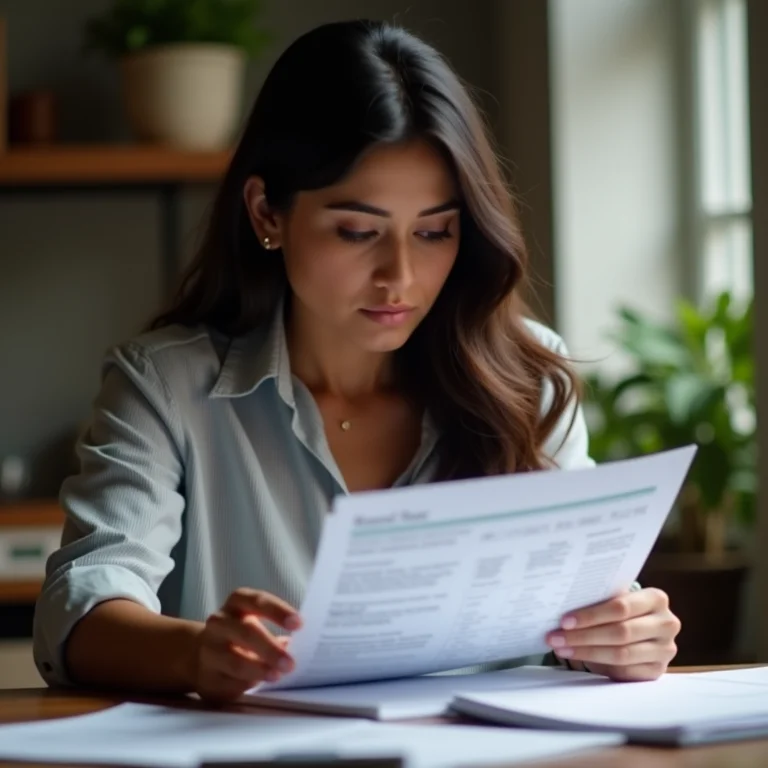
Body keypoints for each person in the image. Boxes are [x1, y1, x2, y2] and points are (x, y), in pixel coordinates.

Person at [33, 20, 681, 702]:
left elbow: (591, 606)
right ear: (267, 213)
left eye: (434, 231)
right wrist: (195, 654)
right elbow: (81, 608)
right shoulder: (165, 387)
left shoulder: (527, 382)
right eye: (358, 231)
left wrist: (625, 635)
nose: (400, 275)